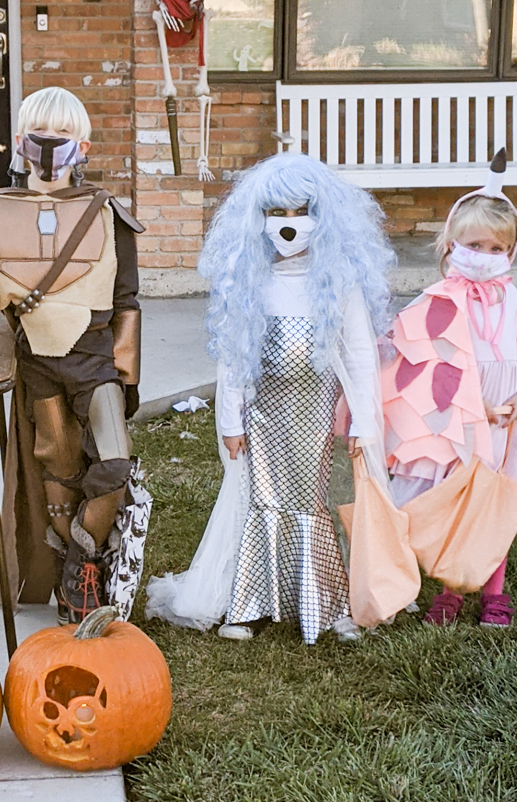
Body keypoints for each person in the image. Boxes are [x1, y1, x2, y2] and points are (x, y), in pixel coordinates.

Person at [145, 152, 395, 644]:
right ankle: (251, 602)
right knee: (262, 498)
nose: (288, 226)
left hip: (316, 412)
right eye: (276, 214)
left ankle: (322, 601)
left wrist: (366, 422)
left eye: (299, 213)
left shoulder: (337, 284)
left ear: (322, 218)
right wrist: (230, 422)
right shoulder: (250, 282)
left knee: (311, 498)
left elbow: (362, 358)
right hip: (263, 413)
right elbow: (233, 361)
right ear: (256, 220)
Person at [0, 86, 143, 623]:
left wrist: (128, 375)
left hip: (96, 360)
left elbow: (127, 300)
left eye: (64, 137)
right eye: (40, 136)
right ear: (18, 143)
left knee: (114, 462)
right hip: (39, 366)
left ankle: (85, 556)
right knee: (56, 467)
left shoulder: (107, 214)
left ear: (85, 147)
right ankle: (70, 579)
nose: (51, 148)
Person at [382, 149, 517, 629]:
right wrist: (472, 404)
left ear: (510, 252)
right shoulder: (439, 299)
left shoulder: (510, 294)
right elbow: (425, 362)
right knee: (458, 500)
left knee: (495, 503)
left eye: (496, 249)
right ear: (452, 244)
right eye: (475, 245)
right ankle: (451, 590)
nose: (484, 257)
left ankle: (495, 594)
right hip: (460, 417)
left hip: (507, 415)